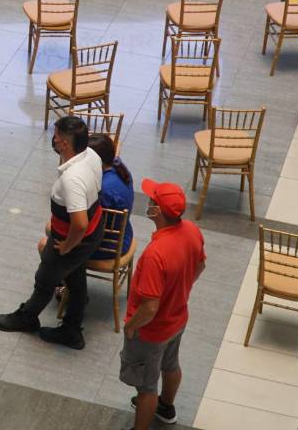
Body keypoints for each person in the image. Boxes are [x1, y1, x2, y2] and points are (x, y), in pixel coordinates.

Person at [0, 115, 104, 350]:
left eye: (55, 136)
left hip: (73, 238)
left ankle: (28, 317)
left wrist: (67, 246)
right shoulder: (91, 156)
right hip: (95, 229)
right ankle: (73, 328)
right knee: (76, 275)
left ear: (64, 143)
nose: (52, 140)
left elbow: (80, 223)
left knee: (45, 279)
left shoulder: (72, 178)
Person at [122, 179, 205, 430]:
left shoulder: (155, 254)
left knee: (146, 388)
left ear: (157, 211)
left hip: (152, 332)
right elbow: (200, 265)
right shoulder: (191, 230)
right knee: (171, 365)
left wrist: (130, 327)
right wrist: (179, 290)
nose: (147, 202)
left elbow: (149, 307)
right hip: (178, 319)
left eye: (152, 200)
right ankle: (166, 407)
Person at [88, 133, 134, 261]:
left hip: (108, 246)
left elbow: (87, 227)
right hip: (125, 234)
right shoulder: (120, 167)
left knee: (53, 238)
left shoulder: (104, 190)